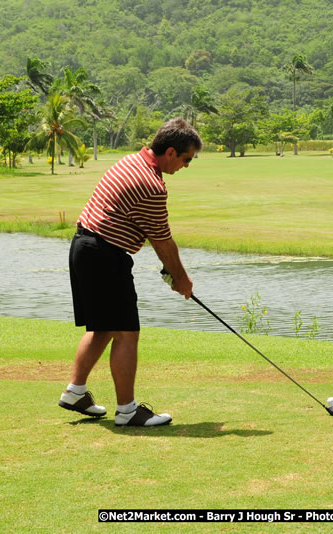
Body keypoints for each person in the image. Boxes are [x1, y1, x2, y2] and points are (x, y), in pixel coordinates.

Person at [58, 118, 200, 427]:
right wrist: (182, 280)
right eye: (187, 159)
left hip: (84, 247)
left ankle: (75, 392)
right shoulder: (152, 185)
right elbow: (163, 242)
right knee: (126, 332)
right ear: (172, 152)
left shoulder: (132, 159)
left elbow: (143, 229)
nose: (186, 166)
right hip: (104, 255)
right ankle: (127, 411)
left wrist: (174, 273)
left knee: (104, 327)